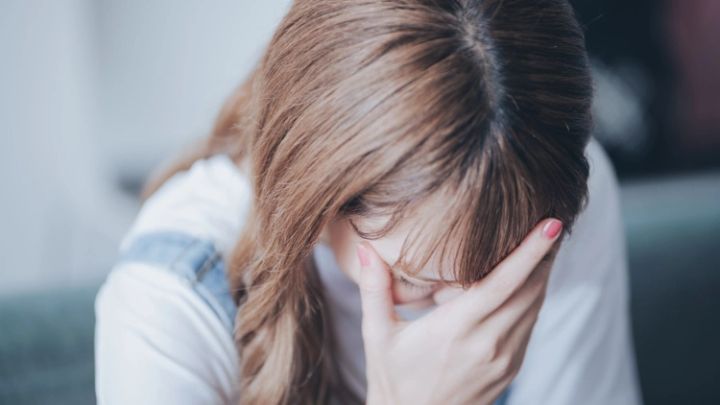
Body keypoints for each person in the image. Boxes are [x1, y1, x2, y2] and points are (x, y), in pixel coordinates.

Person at [94, 0, 643, 404]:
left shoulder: (549, 195)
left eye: (497, 272)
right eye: (417, 280)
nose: (468, 316)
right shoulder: (168, 307)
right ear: (314, 199)